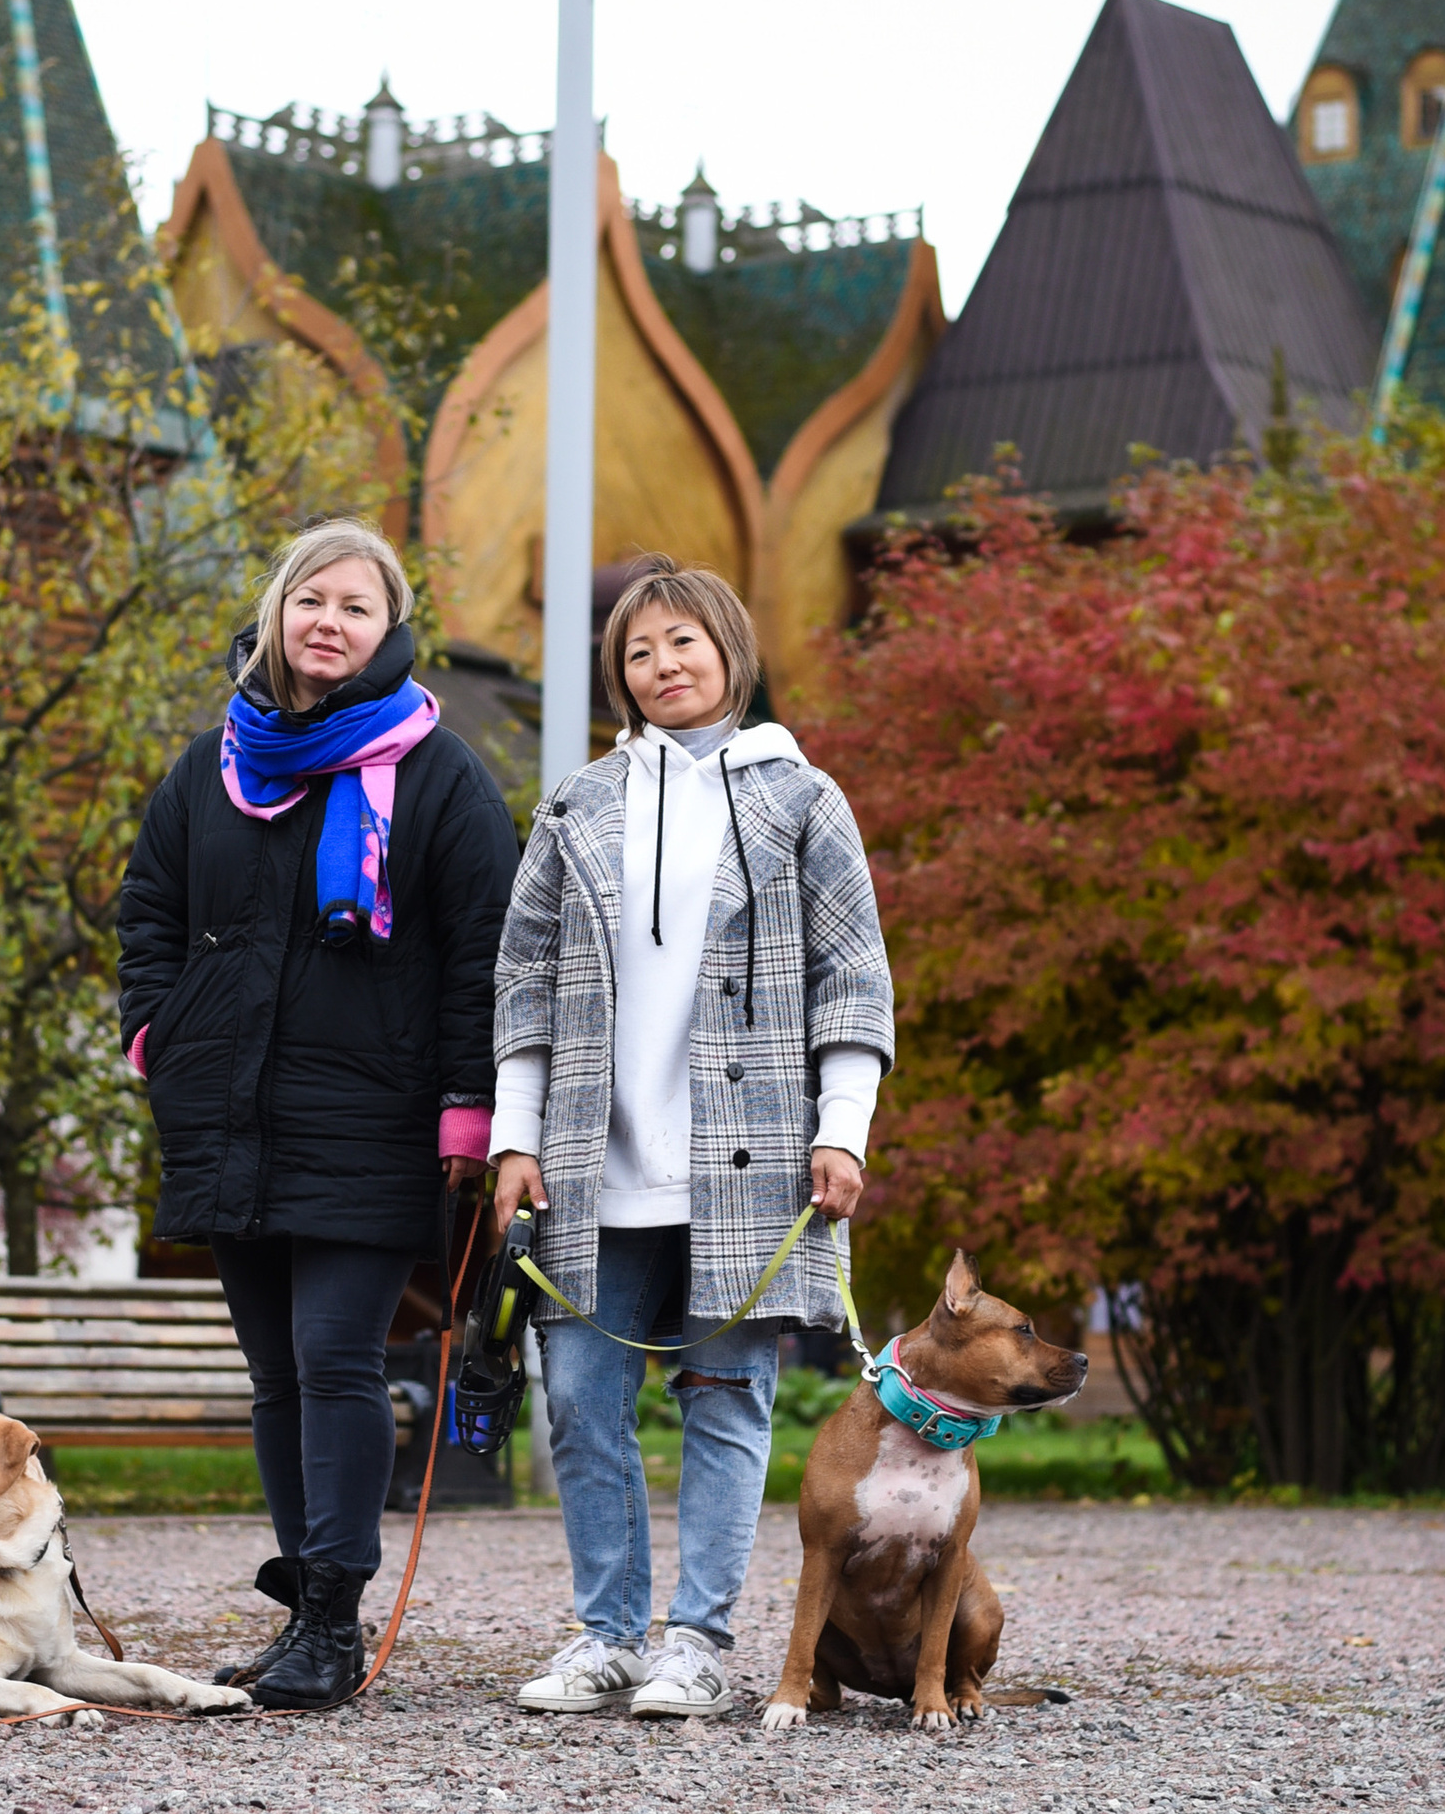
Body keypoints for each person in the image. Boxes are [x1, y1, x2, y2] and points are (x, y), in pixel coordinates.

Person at [117, 520, 519, 1709]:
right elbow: (148, 907)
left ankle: (336, 1621)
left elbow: (482, 953)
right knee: (274, 1374)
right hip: (230, 1110)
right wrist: (157, 1032)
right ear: (278, 615)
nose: (328, 621)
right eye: (311, 599)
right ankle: (306, 1614)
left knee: (335, 1358)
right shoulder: (213, 766)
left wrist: (466, 1110)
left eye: (356, 605)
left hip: (374, 1116)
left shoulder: (438, 772)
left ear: (387, 630)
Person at [489, 560, 893, 1718]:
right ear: (618, 676)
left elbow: (854, 976)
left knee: (726, 1397)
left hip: (754, 1159)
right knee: (577, 1393)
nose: (662, 667)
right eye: (637, 652)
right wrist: (515, 1133)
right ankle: (606, 1632)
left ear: (730, 650)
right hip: (588, 1166)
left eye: (683, 643)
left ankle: (695, 1642)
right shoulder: (578, 803)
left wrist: (844, 1127)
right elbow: (521, 980)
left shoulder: (801, 798)